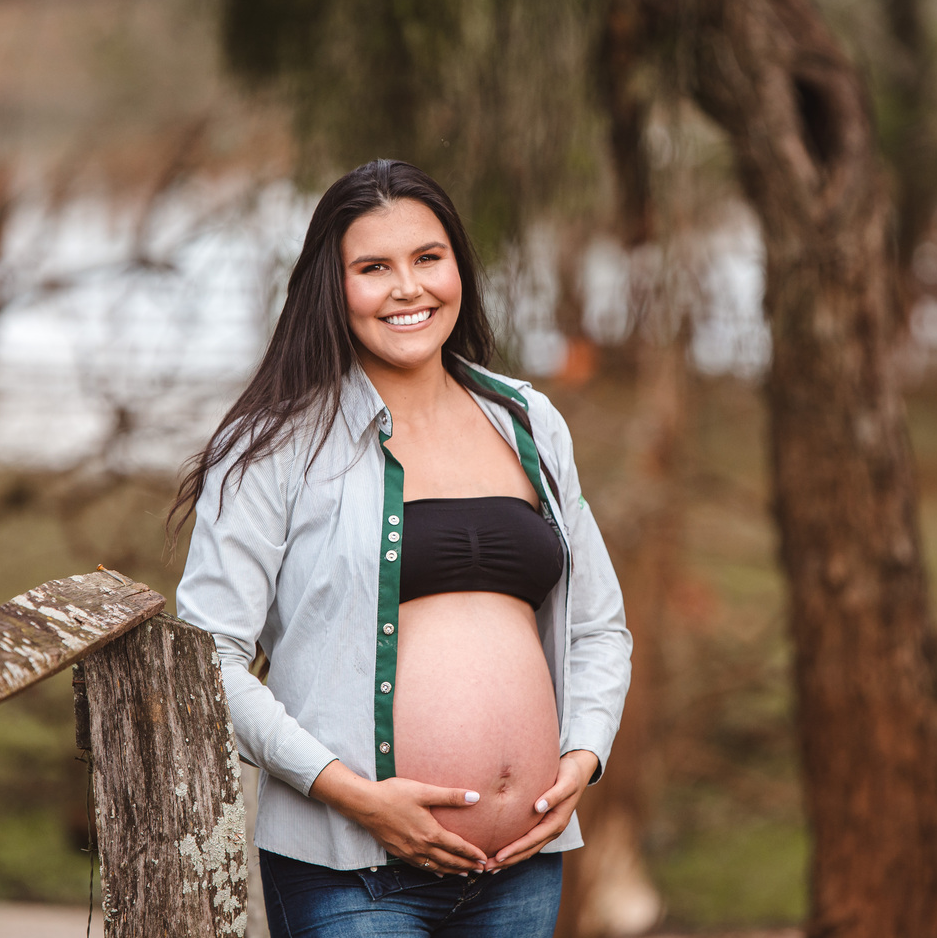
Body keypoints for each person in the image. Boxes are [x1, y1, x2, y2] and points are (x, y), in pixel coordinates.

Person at [171, 159, 632, 937]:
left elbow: (599, 628)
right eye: (373, 267)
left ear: (459, 267)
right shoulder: (271, 447)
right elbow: (208, 657)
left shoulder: (530, 422)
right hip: (350, 874)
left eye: (428, 258)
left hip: (520, 869)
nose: (408, 288)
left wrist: (581, 760)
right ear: (332, 285)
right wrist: (355, 795)